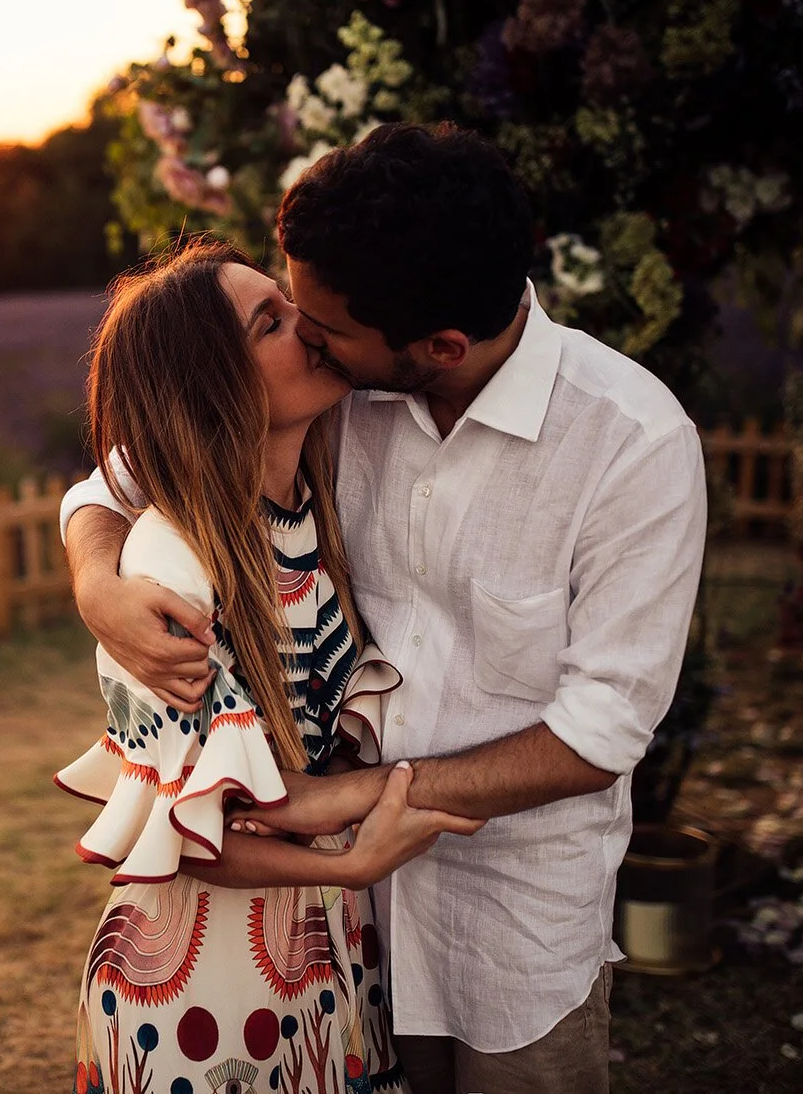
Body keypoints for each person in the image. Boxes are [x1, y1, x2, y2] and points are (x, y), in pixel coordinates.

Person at [62, 123, 707, 1094]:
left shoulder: (627, 445)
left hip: (508, 912)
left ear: (435, 347)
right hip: (329, 924)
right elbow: (128, 468)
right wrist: (95, 576)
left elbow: (600, 728)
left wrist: (341, 800)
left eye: (314, 325)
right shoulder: (336, 389)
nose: (304, 332)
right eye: (282, 314)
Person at [59, 241, 484, 1094]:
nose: (310, 325)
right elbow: (184, 828)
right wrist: (362, 848)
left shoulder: (309, 508)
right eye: (272, 321)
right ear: (215, 384)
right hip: (203, 992)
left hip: (328, 962)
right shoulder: (171, 564)